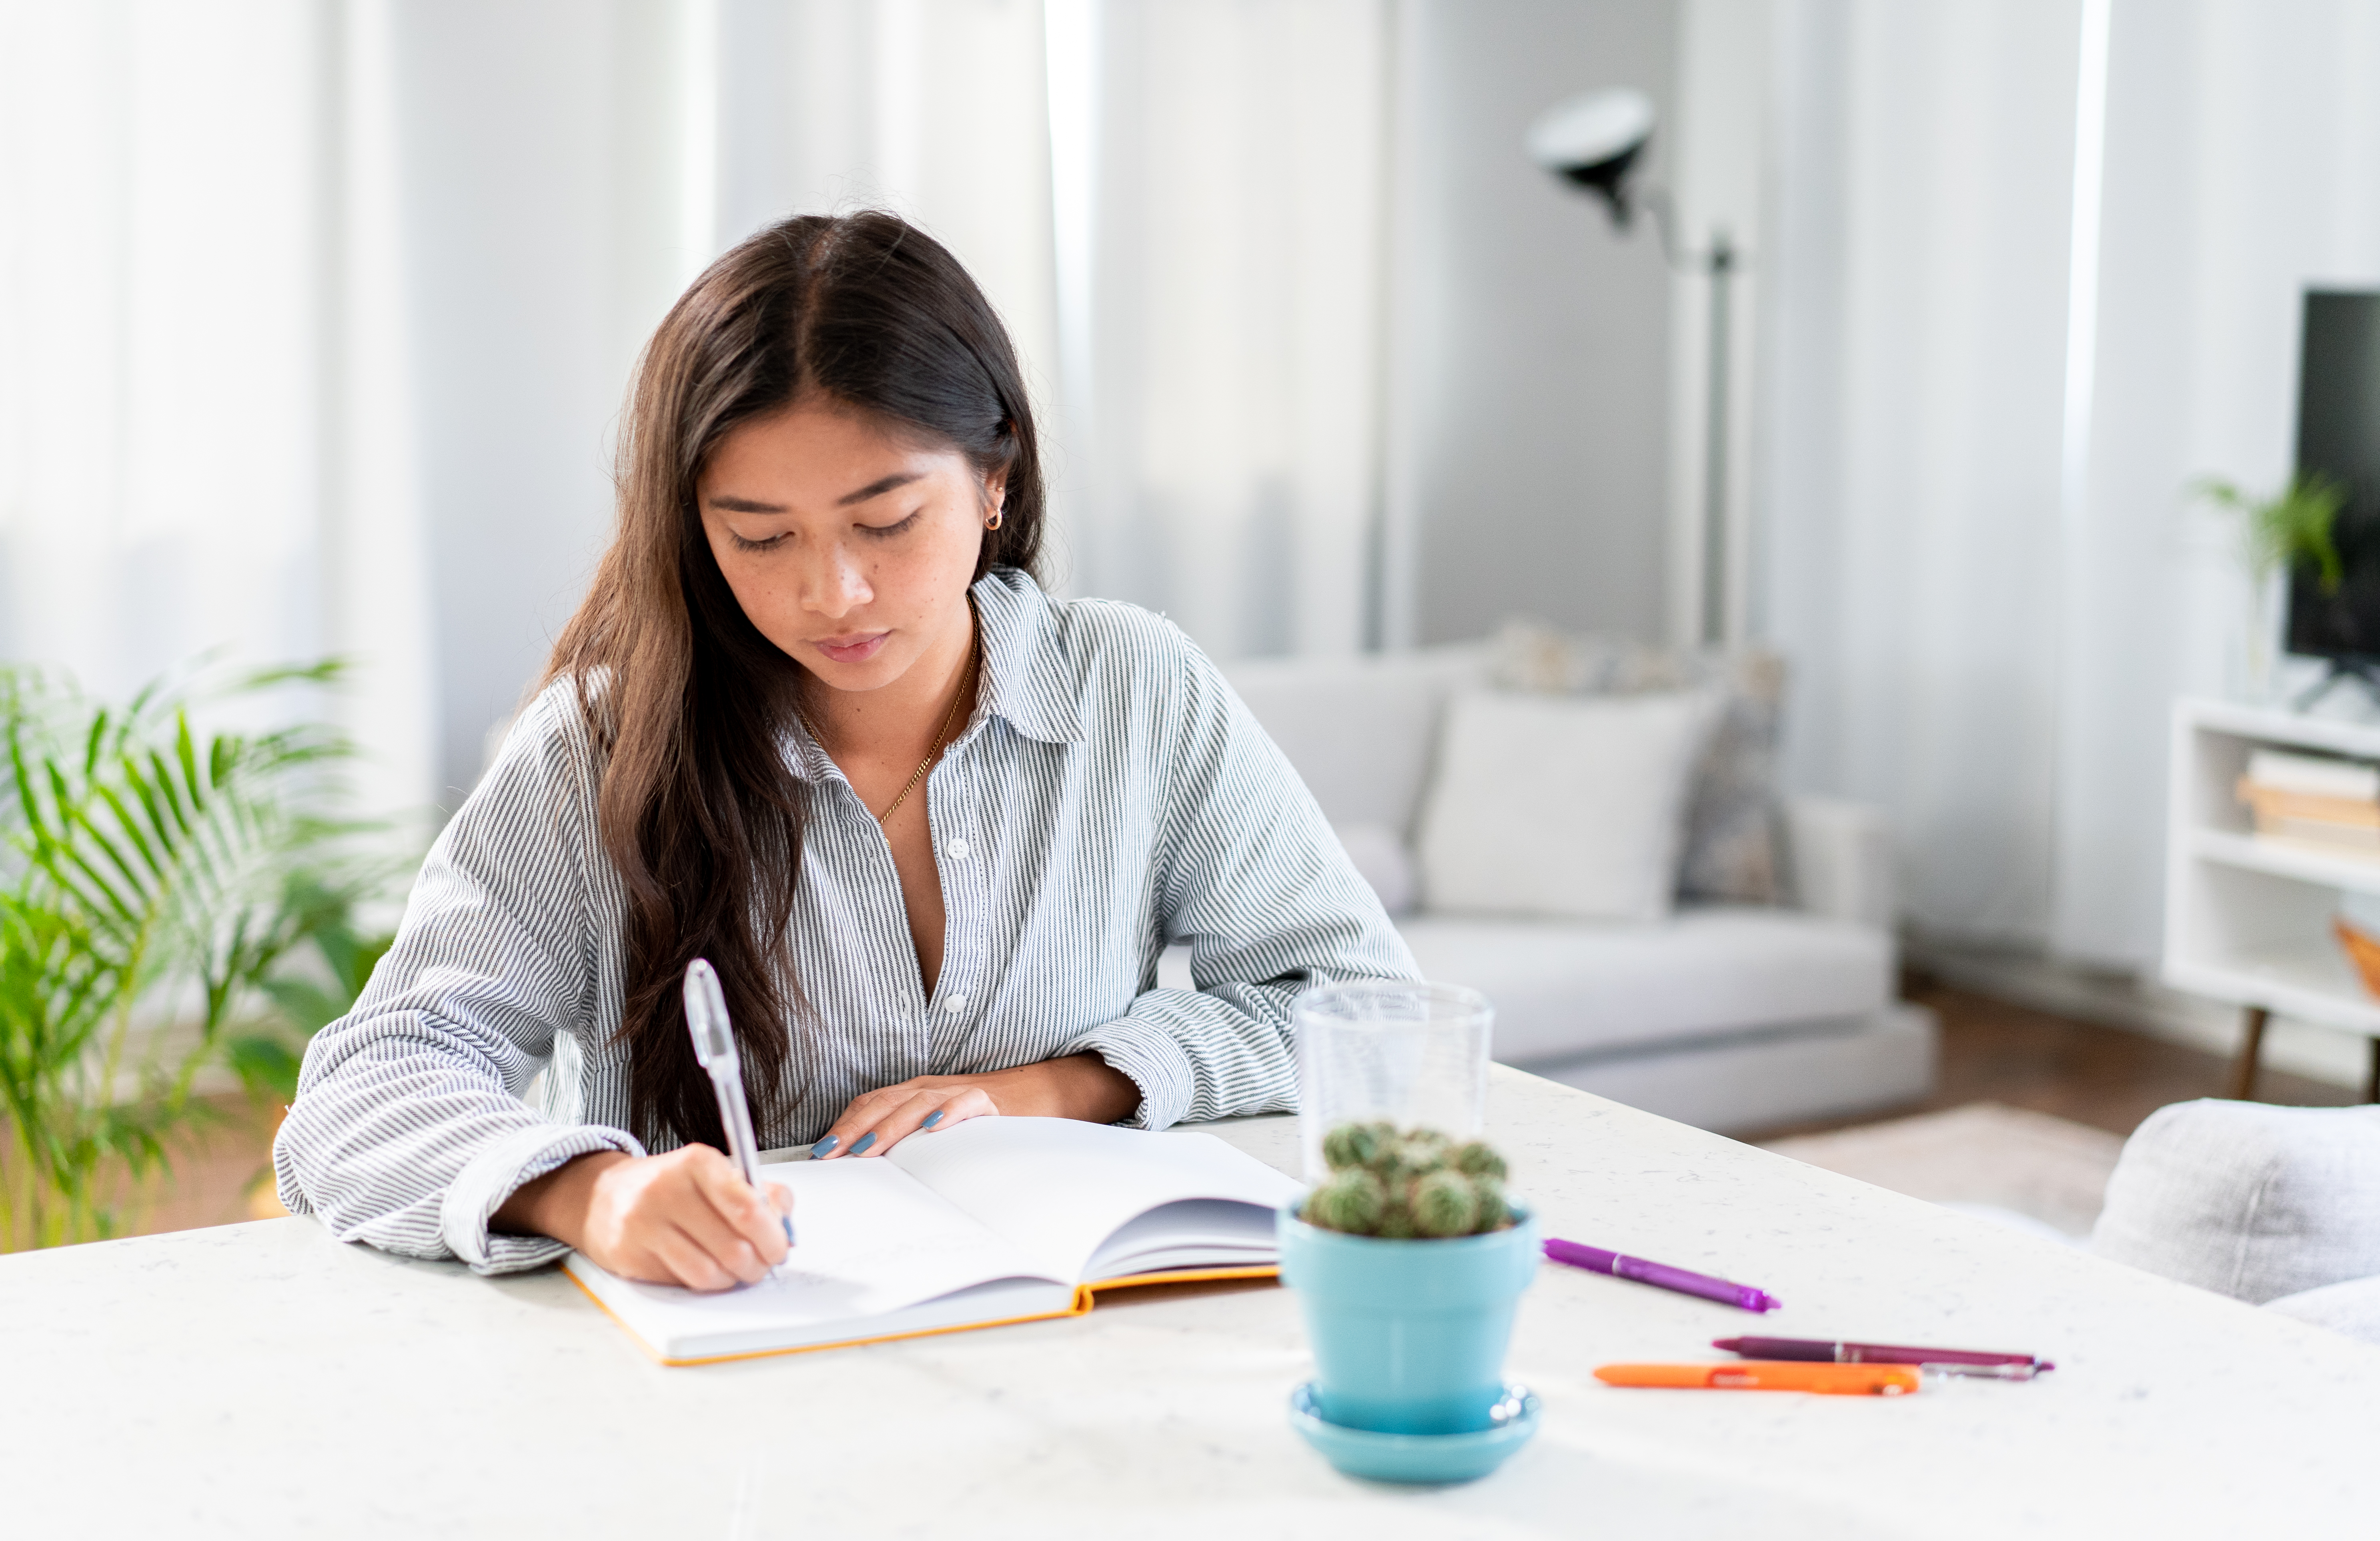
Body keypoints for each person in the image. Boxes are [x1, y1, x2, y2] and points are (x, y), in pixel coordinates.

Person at [273, 211, 1416, 1293]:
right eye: (759, 537)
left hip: (1066, 1346)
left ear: (993, 475)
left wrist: (1067, 1085)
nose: (834, 592)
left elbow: (1362, 1005)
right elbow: (361, 1090)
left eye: (886, 521)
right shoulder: (602, 747)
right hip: (726, 1368)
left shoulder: (1133, 686)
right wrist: (592, 1193)